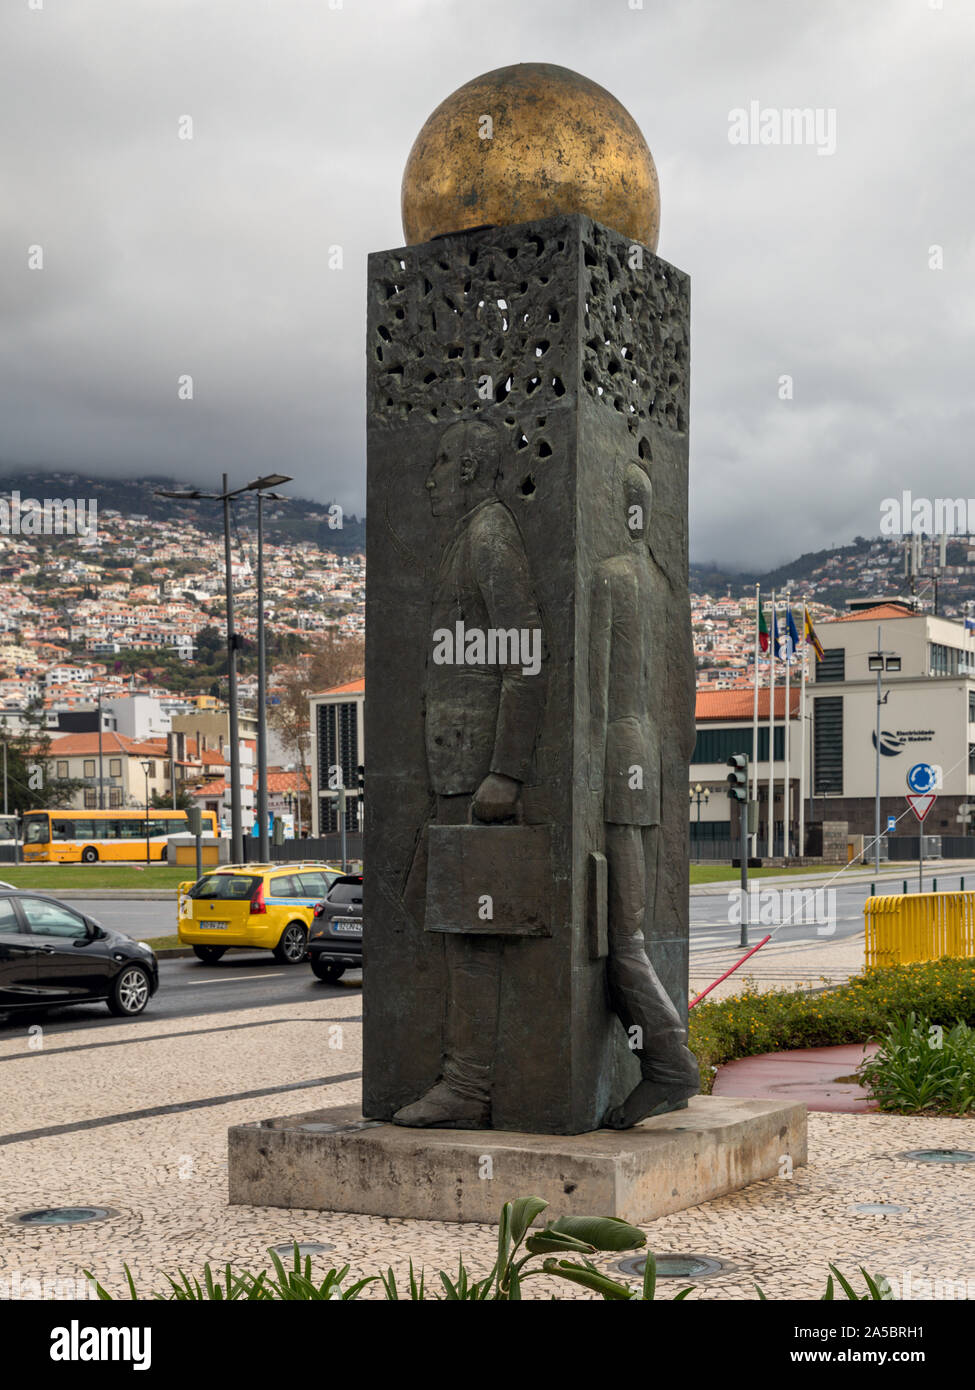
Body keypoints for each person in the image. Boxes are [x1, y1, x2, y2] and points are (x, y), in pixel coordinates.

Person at [394, 418, 546, 1128]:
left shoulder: (490, 539)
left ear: (472, 470)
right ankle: (461, 1079)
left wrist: (506, 772)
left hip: (476, 775)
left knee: (471, 931)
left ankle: (469, 1085)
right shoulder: (466, 538)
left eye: (444, 462)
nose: (430, 476)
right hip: (451, 765)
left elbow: (526, 663)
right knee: (442, 922)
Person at [589, 460, 699, 1129]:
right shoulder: (663, 587)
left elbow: (594, 690)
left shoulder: (610, 577)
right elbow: (681, 701)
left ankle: (668, 1065)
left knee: (621, 934)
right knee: (622, 926)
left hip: (612, 759)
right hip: (651, 760)